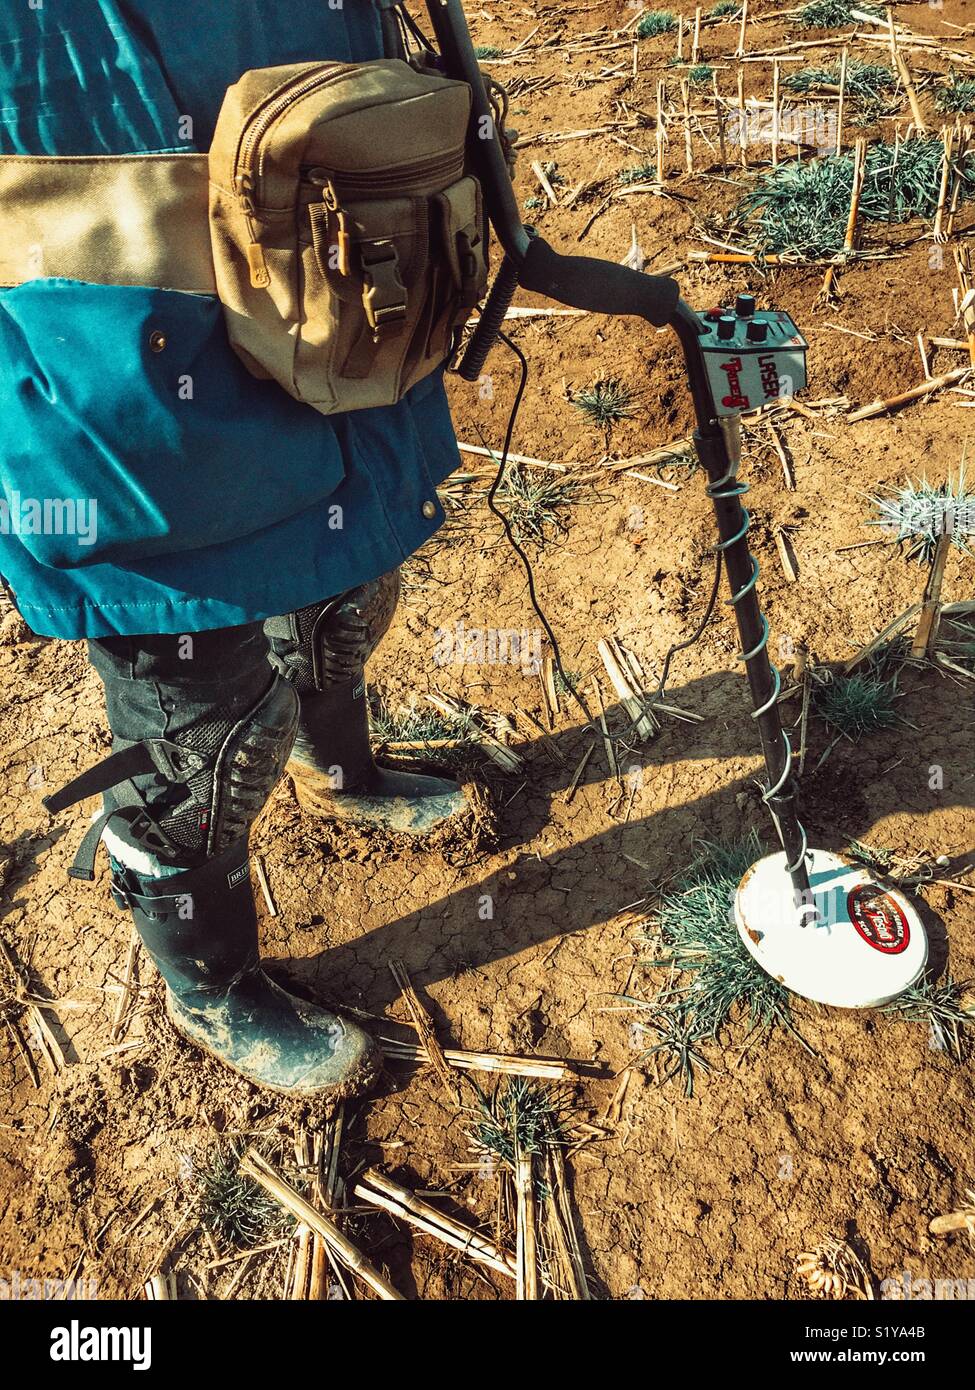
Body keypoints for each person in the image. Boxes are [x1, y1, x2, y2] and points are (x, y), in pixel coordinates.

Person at [0, 1, 467, 1100]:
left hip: (336, 200)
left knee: (350, 578)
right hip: (102, 247)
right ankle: (206, 978)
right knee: (201, 706)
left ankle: (334, 763)